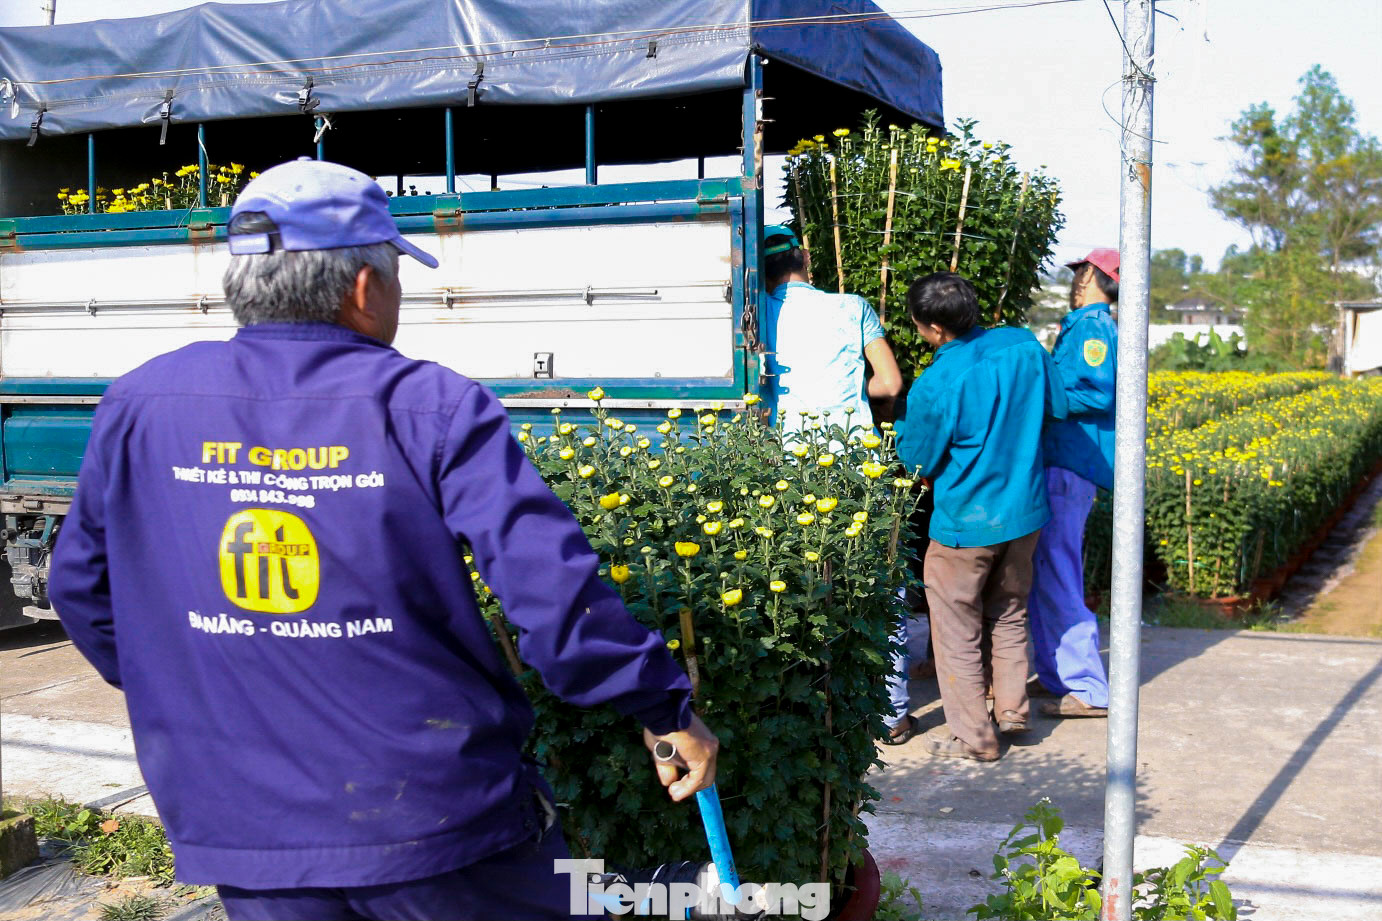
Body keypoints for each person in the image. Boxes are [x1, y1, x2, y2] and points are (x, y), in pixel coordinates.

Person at [48, 159, 718, 921]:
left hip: (249, 827)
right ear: (364, 289)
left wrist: (210, 696)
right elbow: (558, 605)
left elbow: (80, 591)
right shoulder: (428, 407)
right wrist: (665, 709)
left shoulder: (141, 402)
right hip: (440, 827)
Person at [892, 273, 1067, 761]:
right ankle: (1012, 709)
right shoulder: (1022, 345)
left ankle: (976, 737)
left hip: (965, 523)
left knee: (956, 629)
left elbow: (919, 460)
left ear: (932, 329)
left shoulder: (936, 384)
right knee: (1010, 610)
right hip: (1025, 512)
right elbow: (1058, 407)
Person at [1027, 249, 1119, 719]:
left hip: (1071, 463)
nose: (1075, 281)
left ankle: (1088, 687)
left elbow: (1098, 390)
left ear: (1096, 277)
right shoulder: (1082, 323)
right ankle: (1057, 677)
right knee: (1045, 572)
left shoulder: (1092, 326)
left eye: (1081, 272)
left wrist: (1040, 391)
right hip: (1065, 462)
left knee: (1059, 571)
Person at [760, 224, 903, 437]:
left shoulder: (758, 311)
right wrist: (848, 380)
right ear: (806, 257)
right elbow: (890, 385)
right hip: (857, 452)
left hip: (792, 457)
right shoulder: (855, 306)